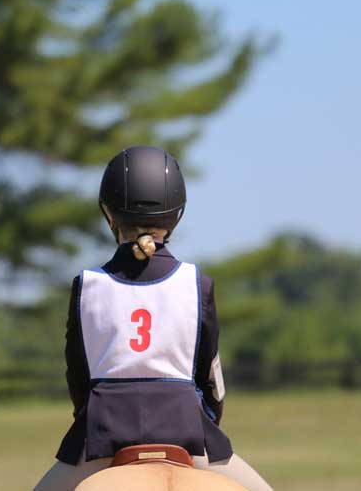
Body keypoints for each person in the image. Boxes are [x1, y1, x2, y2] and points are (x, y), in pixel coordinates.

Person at [35, 146, 272, 491]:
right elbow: (212, 384)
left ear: (108, 212)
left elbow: (78, 380)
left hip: (102, 438)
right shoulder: (197, 284)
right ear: (176, 215)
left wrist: (93, 427)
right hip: (188, 433)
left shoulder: (87, 285)